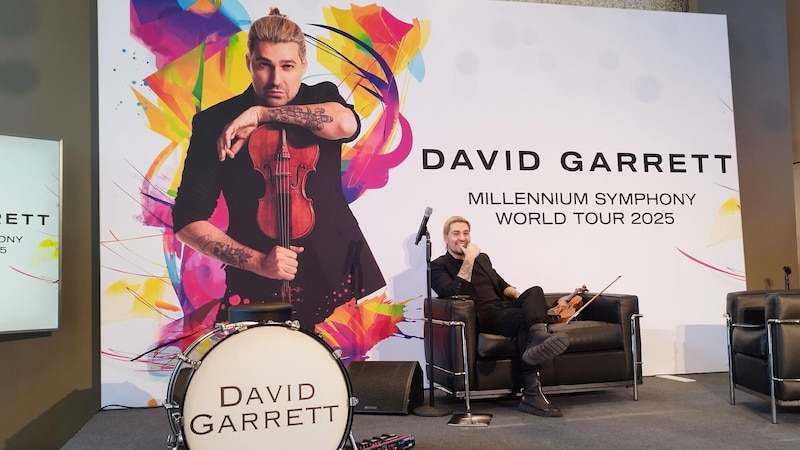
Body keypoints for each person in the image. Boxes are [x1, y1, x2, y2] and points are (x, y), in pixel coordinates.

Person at [171, 8, 385, 328]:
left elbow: (345, 123)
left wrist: (261, 115)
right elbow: (187, 221)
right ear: (249, 63)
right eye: (264, 65)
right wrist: (259, 263)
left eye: (287, 66)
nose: (276, 80)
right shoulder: (214, 122)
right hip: (256, 281)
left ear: (302, 65)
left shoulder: (322, 97)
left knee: (341, 376)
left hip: (338, 271)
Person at [430, 215, 570, 417]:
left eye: (466, 233)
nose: (462, 238)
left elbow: (502, 285)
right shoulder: (439, 265)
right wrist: (469, 258)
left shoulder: (483, 258)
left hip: (502, 308)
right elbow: (455, 293)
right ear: (445, 238)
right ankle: (532, 392)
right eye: (456, 233)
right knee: (524, 321)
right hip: (483, 316)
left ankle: (538, 338)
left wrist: (525, 299)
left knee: (535, 292)